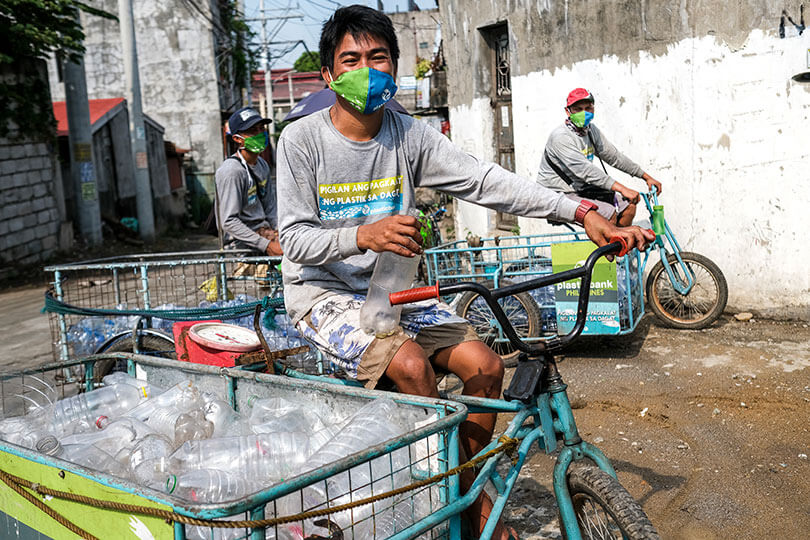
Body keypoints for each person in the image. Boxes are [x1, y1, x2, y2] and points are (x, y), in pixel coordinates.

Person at [276, 6, 654, 538]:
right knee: (409, 367)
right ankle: (472, 511)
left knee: (485, 366)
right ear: (330, 74)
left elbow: (485, 180)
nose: (368, 69)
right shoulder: (301, 140)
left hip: (395, 289)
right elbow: (291, 239)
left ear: (395, 65)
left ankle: (461, 484)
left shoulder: (409, 135)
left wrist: (584, 213)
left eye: (379, 56)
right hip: (324, 293)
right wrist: (361, 234)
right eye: (352, 59)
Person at [536, 88, 663, 226]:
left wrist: (645, 177)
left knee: (628, 207)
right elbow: (586, 171)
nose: (584, 113)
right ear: (568, 111)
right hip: (557, 193)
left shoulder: (590, 130)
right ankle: (612, 245)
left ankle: (622, 246)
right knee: (608, 215)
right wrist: (622, 188)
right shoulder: (561, 137)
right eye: (578, 109)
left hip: (580, 189)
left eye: (588, 108)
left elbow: (614, 157)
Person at [215, 107, 282, 255]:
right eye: (252, 131)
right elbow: (229, 221)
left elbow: (270, 207)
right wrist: (267, 246)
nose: (259, 134)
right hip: (241, 244)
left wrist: (279, 232)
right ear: (237, 138)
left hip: (264, 233)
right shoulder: (232, 171)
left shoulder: (262, 165)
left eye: (261, 128)